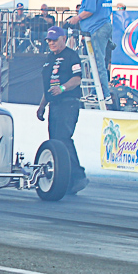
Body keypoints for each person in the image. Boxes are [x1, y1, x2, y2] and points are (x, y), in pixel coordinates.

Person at [37, 24, 88, 194]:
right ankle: (63, 179)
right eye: (49, 40)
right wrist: (42, 105)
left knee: (63, 138)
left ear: (63, 39)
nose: (51, 43)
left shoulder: (71, 56)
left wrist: (63, 88)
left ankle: (77, 177)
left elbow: (77, 79)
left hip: (68, 102)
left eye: (54, 40)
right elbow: (48, 86)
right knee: (55, 141)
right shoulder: (49, 58)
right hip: (54, 104)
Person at [67, 0, 112, 91]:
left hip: (97, 29)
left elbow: (90, 9)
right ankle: (99, 92)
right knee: (98, 63)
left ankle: (102, 93)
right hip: (103, 26)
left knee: (97, 64)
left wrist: (77, 18)